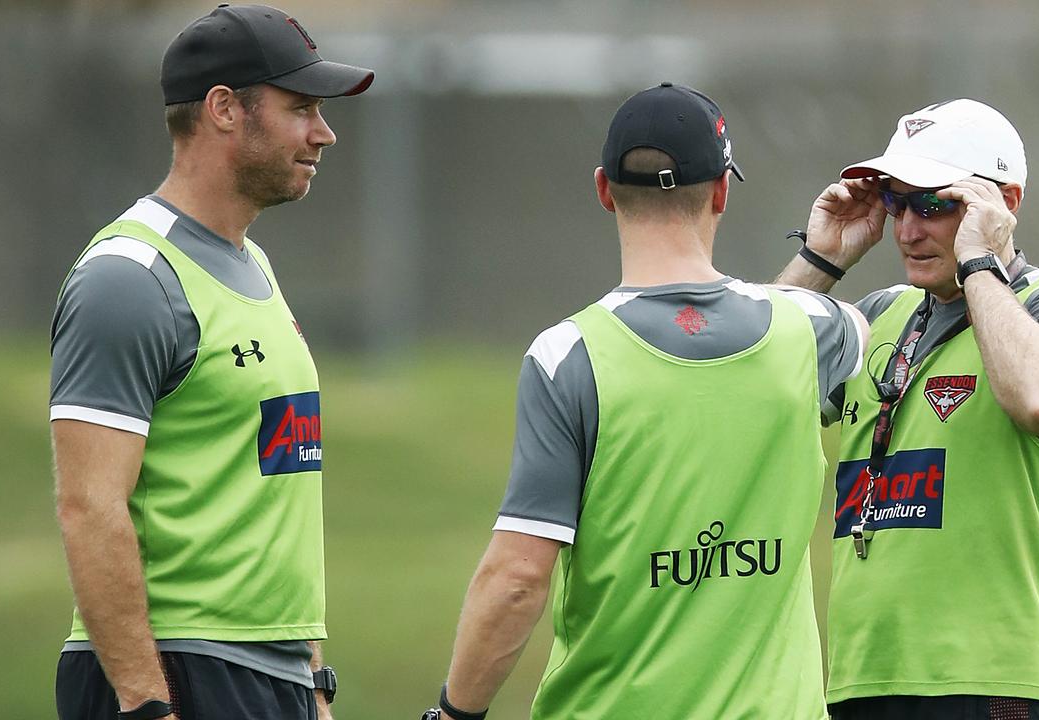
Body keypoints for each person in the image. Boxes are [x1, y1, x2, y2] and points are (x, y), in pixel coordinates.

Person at [420, 82, 867, 720]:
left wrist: (454, 714)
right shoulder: (819, 331)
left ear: (604, 189)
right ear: (722, 190)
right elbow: (775, 327)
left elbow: (518, 580)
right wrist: (828, 258)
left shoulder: (567, 356)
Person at [48, 5, 374, 719]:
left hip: (269, 675)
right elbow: (89, 507)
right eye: (302, 108)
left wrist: (312, 681)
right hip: (178, 674)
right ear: (224, 109)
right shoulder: (128, 277)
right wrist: (143, 703)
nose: (325, 133)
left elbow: (275, 498)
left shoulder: (253, 264)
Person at [774, 99, 1039, 720]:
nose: (907, 229)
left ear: (1004, 204)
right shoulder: (881, 315)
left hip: (993, 687)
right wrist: (820, 263)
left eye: (936, 204)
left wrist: (980, 263)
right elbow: (748, 385)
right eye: (896, 202)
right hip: (858, 684)